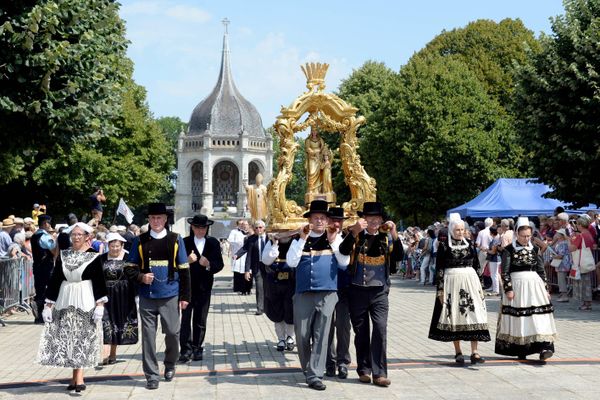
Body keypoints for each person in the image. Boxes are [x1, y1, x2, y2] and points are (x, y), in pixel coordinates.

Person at [124, 203, 191, 390]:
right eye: (152, 218)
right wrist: (140, 277)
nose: (156, 221)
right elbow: (129, 267)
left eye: (159, 217)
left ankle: (170, 364)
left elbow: (185, 271)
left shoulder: (176, 239)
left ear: (165, 219)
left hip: (170, 294)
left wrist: (185, 296)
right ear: (148, 219)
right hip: (147, 296)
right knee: (148, 337)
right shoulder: (140, 240)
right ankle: (151, 375)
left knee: (172, 332)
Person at [36, 222, 108, 393]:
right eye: (73, 235)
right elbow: (55, 279)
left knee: (82, 336)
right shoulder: (64, 255)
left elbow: (99, 282)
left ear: (87, 237)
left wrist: (100, 305)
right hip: (65, 296)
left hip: (85, 297)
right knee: (68, 336)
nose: (76, 237)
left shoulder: (94, 256)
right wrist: (48, 305)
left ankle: (80, 378)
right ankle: (74, 377)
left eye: (79, 235)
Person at [286, 200, 350, 391]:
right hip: (303, 294)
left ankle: (315, 374)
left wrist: (333, 240)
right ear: (310, 220)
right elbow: (291, 262)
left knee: (321, 335)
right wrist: (302, 238)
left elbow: (344, 262)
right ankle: (308, 369)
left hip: (327, 293)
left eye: (323, 218)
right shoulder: (299, 240)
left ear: (328, 220)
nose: (320, 221)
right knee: (302, 334)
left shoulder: (335, 239)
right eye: (316, 218)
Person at [338, 202, 403, 387]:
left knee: (380, 329)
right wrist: (353, 232)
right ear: (363, 219)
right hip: (357, 291)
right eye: (369, 217)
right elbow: (343, 251)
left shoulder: (386, 238)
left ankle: (380, 373)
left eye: (377, 218)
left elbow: (399, 257)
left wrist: (394, 233)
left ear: (382, 220)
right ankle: (364, 370)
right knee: (361, 332)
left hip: (380, 291)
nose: (374, 221)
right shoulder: (355, 235)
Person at [428, 213, 490, 365]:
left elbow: (476, 266)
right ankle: (458, 352)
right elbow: (440, 269)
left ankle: (475, 352)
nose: (460, 232)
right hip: (452, 283)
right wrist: (441, 291)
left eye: (462, 229)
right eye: (457, 230)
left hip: (470, 282)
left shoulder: (470, 243)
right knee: (455, 316)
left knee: (475, 315)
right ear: (451, 230)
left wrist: (481, 287)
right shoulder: (444, 246)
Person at [495, 217, 557, 361]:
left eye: (528, 236)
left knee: (538, 316)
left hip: (535, 285)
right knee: (520, 319)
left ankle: (545, 347)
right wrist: (508, 288)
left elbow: (541, 270)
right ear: (517, 234)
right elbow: (504, 271)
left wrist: (546, 289)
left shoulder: (535, 249)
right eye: (523, 236)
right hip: (517, 286)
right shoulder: (509, 250)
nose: (526, 239)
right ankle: (521, 348)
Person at [179, 214, 224, 362]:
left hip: (204, 287)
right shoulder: (184, 242)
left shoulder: (213, 243)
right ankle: (185, 349)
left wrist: (208, 265)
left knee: (200, 319)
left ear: (207, 228)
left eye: (203, 227)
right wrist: (187, 260)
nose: (200, 230)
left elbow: (220, 264)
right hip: (186, 288)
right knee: (185, 319)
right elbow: (176, 265)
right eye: (197, 227)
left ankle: (198, 348)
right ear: (192, 227)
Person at [100, 232, 138, 365]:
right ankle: (105, 354)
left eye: (117, 246)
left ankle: (113, 354)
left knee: (118, 323)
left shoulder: (128, 258)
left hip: (124, 295)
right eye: (112, 246)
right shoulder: (101, 258)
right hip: (106, 294)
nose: (115, 249)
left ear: (122, 245)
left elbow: (135, 276)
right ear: (108, 245)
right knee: (106, 322)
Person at [325, 206, 351, 379]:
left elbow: (345, 264)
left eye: (339, 220)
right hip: (325, 289)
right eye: (333, 220)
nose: (336, 223)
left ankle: (342, 362)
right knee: (325, 327)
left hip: (344, 288)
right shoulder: (320, 239)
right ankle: (329, 362)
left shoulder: (348, 239)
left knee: (343, 327)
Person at [261, 229, 297, 352]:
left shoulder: (295, 241)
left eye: (286, 230)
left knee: (290, 310)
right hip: (275, 281)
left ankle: (290, 337)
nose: (283, 233)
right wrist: (274, 244)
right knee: (277, 311)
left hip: (291, 281)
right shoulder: (271, 242)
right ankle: (281, 338)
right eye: (281, 230)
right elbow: (266, 260)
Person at [236, 220, 268, 315]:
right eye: (256, 228)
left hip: (269, 267)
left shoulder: (270, 238)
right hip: (257, 266)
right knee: (259, 287)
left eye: (260, 227)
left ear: (264, 228)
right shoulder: (251, 239)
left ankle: (268, 307)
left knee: (269, 288)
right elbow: (247, 253)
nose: (258, 229)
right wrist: (246, 270)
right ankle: (260, 308)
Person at [30, 215, 57, 323]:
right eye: (49, 223)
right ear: (46, 223)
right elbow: (53, 250)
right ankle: (41, 313)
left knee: (40, 289)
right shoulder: (44, 236)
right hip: (46, 266)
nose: (49, 225)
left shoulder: (34, 235)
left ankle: (38, 315)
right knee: (48, 289)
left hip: (37, 266)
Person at [569, 216, 595, 311]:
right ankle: (588, 302)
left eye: (578, 224)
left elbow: (572, 248)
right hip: (587, 261)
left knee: (582, 283)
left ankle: (585, 303)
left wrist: (570, 239)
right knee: (587, 283)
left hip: (580, 263)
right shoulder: (589, 234)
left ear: (580, 225)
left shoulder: (580, 236)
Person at [228, 220, 251, 295]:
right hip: (238, 254)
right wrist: (239, 243)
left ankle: (248, 289)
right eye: (241, 224)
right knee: (240, 272)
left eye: (244, 224)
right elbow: (230, 240)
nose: (243, 225)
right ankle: (241, 289)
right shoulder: (234, 231)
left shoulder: (250, 232)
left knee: (248, 272)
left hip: (248, 254)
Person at [551, 229, 571, 302]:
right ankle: (563, 294)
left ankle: (564, 296)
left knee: (562, 280)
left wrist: (553, 256)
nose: (556, 234)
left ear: (561, 235)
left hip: (562, 264)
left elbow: (561, 255)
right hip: (561, 264)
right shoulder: (561, 243)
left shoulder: (563, 243)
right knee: (561, 280)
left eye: (558, 233)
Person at [305, 126, 327, 194]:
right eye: (313, 131)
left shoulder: (320, 139)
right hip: (312, 158)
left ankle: (319, 190)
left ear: (317, 132)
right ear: (311, 132)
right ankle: (311, 189)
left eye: (315, 131)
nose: (314, 132)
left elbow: (323, 147)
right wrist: (313, 152)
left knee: (320, 173)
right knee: (312, 172)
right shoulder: (308, 140)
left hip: (319, 157)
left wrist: (320, 151)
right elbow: (307, 148)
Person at [485, 226, 501, 296]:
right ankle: (494, 287)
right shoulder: (497, 238)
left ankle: (496, 289)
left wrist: (486, 250)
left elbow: (493, 252)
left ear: (491, 232)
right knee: (495, 274)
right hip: (496, 258)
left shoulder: (495, 240)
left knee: (494, 274)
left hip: (494, 259)